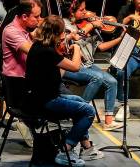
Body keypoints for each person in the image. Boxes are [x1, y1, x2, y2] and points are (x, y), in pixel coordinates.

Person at [25, 15, 102, 166]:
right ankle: (65, 150)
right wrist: (78, 48)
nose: (64, 35)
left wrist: (63, 55)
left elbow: (57, 75)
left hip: (43, 96)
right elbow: (75, 67)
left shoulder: (39, 46)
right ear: (55, 33)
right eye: (63, 33)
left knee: (80, 102)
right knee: (88, 111)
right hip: (46, 101)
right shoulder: (47, 51)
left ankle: (85, 146)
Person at [59, 0, 124, 131]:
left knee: (112, 81)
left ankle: (108, 121)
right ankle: (80, 113)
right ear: (71, 12)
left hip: (87, 64)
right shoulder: (64, 25)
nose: (86, 12)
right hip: (71, 66)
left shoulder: (86, 24)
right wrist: (91, 25)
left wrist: (120, 39)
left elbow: (100, 46)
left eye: (85, 9)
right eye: (81, 10)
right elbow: (71, 40)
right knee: (97, 78)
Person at [1, 0, 43, 147]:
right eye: (37, 17)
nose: (40, 20)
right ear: (24, 16)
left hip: (30, 83)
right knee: (68, 102)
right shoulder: (12, 31)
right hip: (18, 88)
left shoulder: (26, 30)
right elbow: (34, 53)